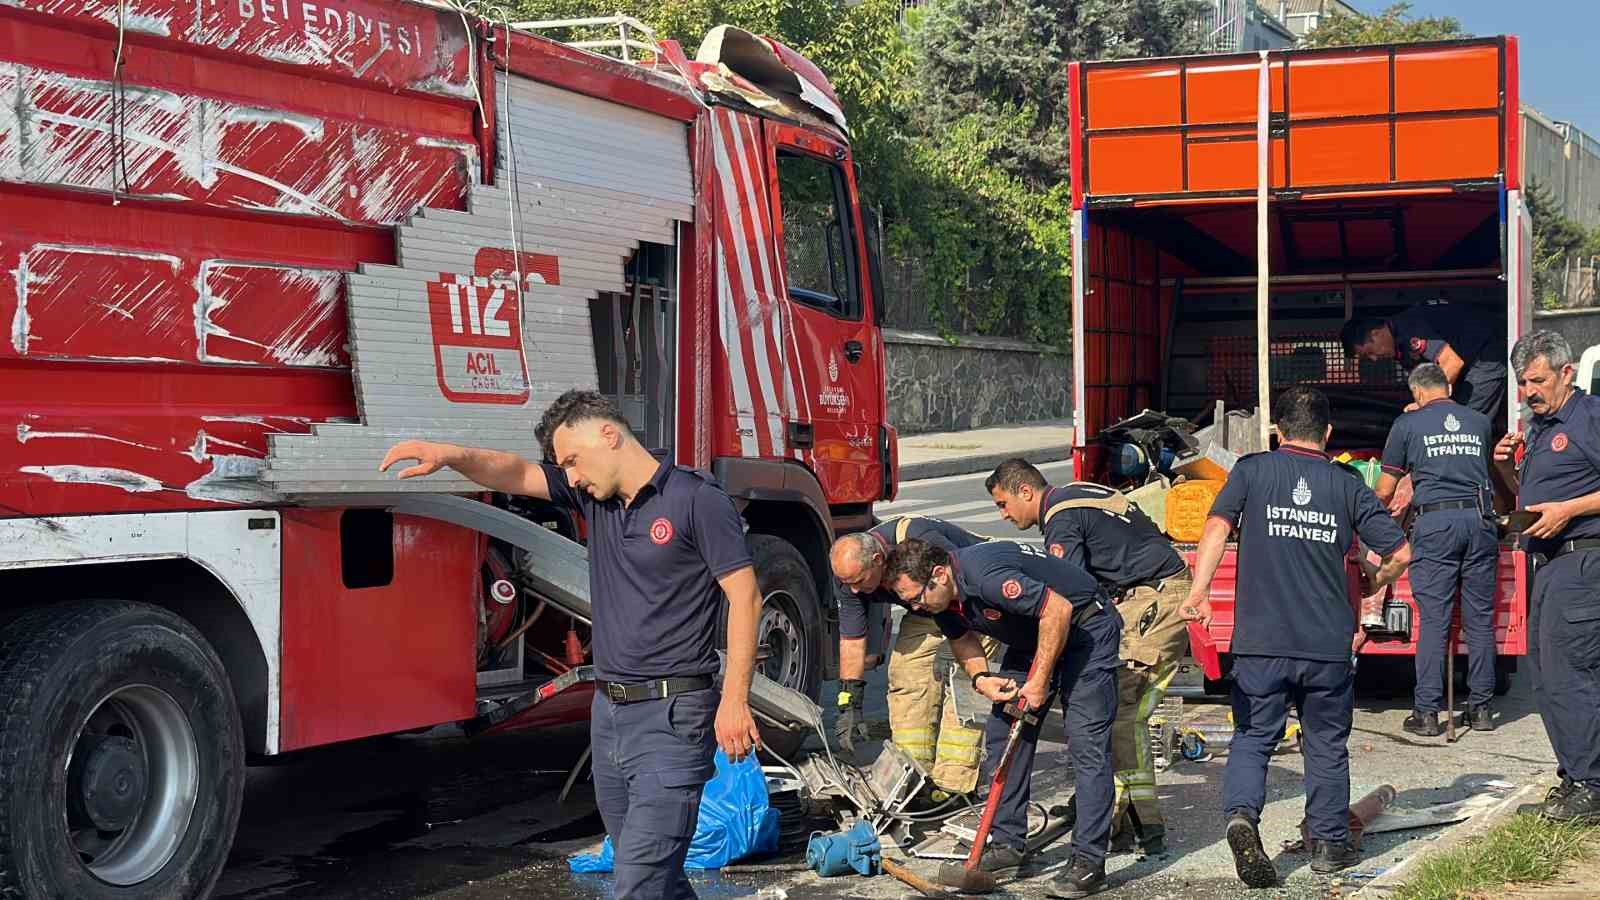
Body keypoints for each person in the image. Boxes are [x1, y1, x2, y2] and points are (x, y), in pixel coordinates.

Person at [378, 390, 763, 899]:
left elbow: (747, 597)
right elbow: (513, 472)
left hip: (674, 718)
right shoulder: (593, 498)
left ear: (609, 434)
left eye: (572, 461)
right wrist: (448, 455)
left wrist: (734, 701)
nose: (571, 476)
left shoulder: (696, 500)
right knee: (652, 877)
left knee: (637, 885)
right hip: (610, 716)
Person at [1183, 387, 1411, 887]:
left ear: (1278, 431)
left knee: (1253, 737)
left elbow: (1217, 527)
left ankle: (1243, 819)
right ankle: (1329, 844)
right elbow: (1401, 552)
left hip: (1261, 641)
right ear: (1327, 434)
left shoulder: (1251, 470)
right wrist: (1376, 579)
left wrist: (1200, 591)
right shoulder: (1347, 484)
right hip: (1326, 644)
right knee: (1326, 742)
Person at [885, 539, 1122, 899]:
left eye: (916, 598)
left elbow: (1057, 609)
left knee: (1086, 743)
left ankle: (1088, 862)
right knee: (1004, 732)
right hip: (1032, 638)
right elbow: (961, 637)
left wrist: (1039, 683)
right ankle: (1009, 845)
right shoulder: (942, 597)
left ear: (939, 574)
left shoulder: (985, 576)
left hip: (1086, 628)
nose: (914, 606)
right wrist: (982, 678)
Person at [985, 459, 1190, 854]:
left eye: (1003, 503)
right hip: (1143, 595)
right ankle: (1111, 812)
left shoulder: (1061, 520)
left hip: (1156, 600)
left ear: (1025, 491)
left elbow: (1068, 596)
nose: (1004, 514)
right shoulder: (1076, 493)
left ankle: (1142, 824)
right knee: (1113, 710)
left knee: (1122, 712)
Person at [1493, 331, 1600, 823]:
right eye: (1521, 382)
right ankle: (1575, 778)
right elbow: (1532, 505)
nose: (1527, 392)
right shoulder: (1539, 430)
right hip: (1549, 561)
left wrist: (1569, 510)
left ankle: (1592, 787)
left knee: (1570, 673)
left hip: (1583, 560)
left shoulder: (1589, 417)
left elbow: (1562, 505)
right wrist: (1506, 473)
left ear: (1566, 373)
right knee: (1548, 676)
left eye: (1536, 380)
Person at [1374, 363, 1499, 737]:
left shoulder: (1407, 426)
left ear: (1416, 393)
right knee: (1479, 620)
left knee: (1434, 621)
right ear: (1447, 386)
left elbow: (1384, 490)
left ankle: (1427, 714)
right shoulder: (1479, 421)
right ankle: (1481, 711)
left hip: (1436, 525)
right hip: (1480, 523)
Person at [830, 517, 996, 796]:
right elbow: (852, 640)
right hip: (924, 609)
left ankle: (953, 787)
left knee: (963, 689)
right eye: (848, 583)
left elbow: (961, 581)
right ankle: (914, 778)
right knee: (906, 676)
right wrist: (849, 703)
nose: (854, 590)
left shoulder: (920, 539)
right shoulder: (849, 580)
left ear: (878, 559)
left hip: (970, 603)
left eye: (859, 581)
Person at [1341, 300, 1507, 423]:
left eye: (1370, 352)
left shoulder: (1409, 329)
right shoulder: (1398, 348)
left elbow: (1452, 363)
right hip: (1466, 366)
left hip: (1486, 352)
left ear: (1376, 333)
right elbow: (1426, 379)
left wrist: (1424, 404)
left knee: (1465, 423)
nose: (1374, 359)